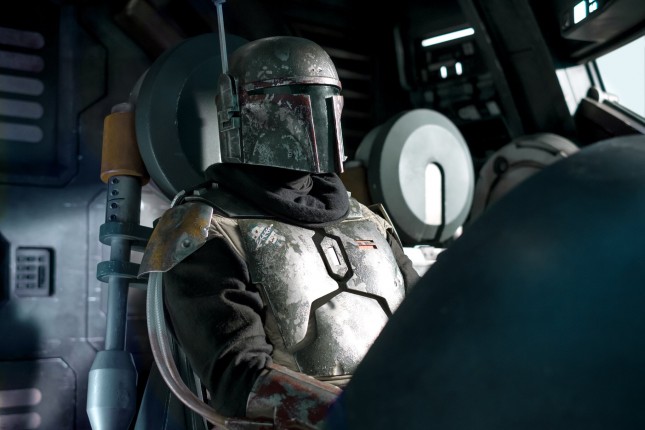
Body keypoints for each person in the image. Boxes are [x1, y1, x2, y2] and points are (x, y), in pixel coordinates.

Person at [139, 36, 419, 428]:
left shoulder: (369, 222)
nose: (318, 117)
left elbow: (428, 326)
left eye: (329, 99)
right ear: (244, 110)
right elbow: (240, 380)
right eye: (300, 99)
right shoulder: (207, 231)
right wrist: (360, 417)